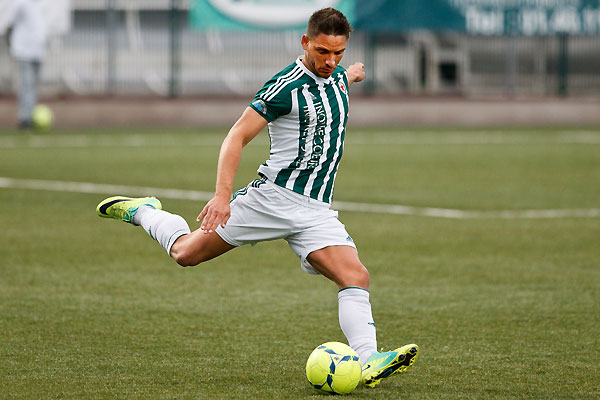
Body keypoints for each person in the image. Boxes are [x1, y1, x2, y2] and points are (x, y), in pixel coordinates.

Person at [96, 8, 419, 388]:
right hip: (270, 200)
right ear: (304, 42)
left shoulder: (336, 77)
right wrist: (221, 197)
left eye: (338, 53)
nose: (330, 61)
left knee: (355, 275)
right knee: (186, 254)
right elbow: (236, 136)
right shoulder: (284, 87)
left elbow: (335, 82)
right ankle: (145, 212)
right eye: (322, 52)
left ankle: (368, 360)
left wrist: (351, 74)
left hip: (315, 211)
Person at [5, 0, 47, 129]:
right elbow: (10, 24)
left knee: (33, 85)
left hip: (38, 51)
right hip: (23, 50)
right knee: (27, 83)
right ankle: (24, 118)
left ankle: (31, 115)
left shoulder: (41, 4)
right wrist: (11, 46)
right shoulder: (20, 3)